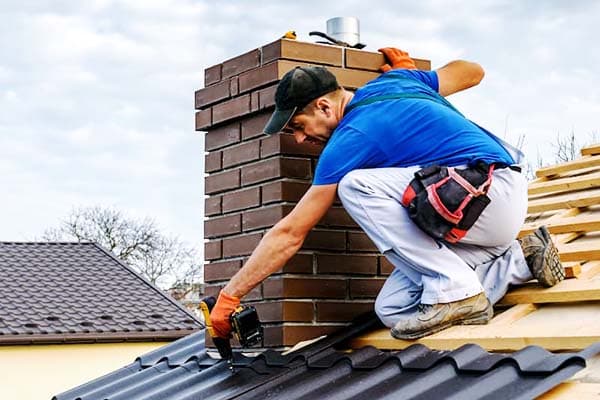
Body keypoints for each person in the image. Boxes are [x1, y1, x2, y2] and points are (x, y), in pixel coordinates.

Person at [209, 47, 565, 340]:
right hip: (479, 218)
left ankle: (457, 290)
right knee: (393, 309)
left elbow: (290, 233)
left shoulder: (350, 139)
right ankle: (520, 259)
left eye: (299, 127)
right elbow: (473, 70)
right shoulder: (399, 80)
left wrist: (231, 295)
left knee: (355, 185)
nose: (301, 140)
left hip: (488, 192)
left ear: (323, 106)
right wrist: (416, 78)